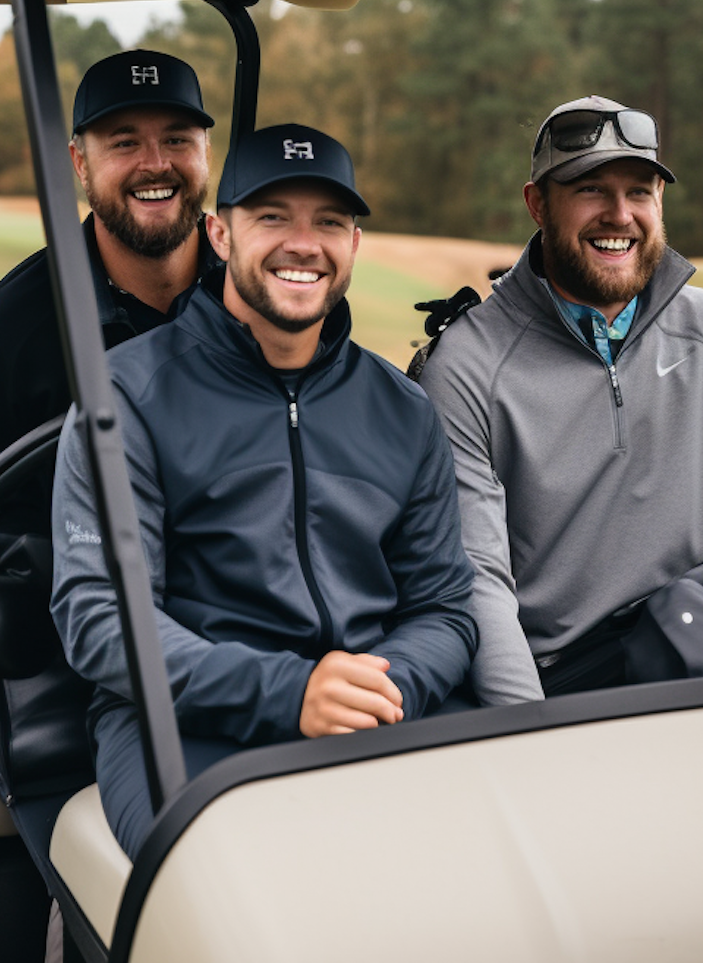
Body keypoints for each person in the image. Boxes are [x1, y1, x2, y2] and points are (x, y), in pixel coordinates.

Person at [52, 124, 480, 857]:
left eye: (330, 223)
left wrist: (387, 687)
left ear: (353, 246)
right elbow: (101, 617)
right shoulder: (126, 395)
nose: (303, 244)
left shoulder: (402, 409)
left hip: (374, 708)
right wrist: (290, 692)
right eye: (273, 218)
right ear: (219, 234)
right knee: (267, 888)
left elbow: (445, 608)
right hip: (189, 722)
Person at [413, 95, 703, 703]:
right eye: (591, 190)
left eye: (640, 191)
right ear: (538, 204)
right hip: (569, 687)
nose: (619, 215)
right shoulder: (467, 364)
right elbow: (479, 579)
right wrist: (525, 736)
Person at [0, 48, 218, 517]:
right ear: (80, 163)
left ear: (206, 152)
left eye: (177, 140)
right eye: (124, 143)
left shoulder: (262, 298)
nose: (156, 164)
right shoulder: (1, 344)